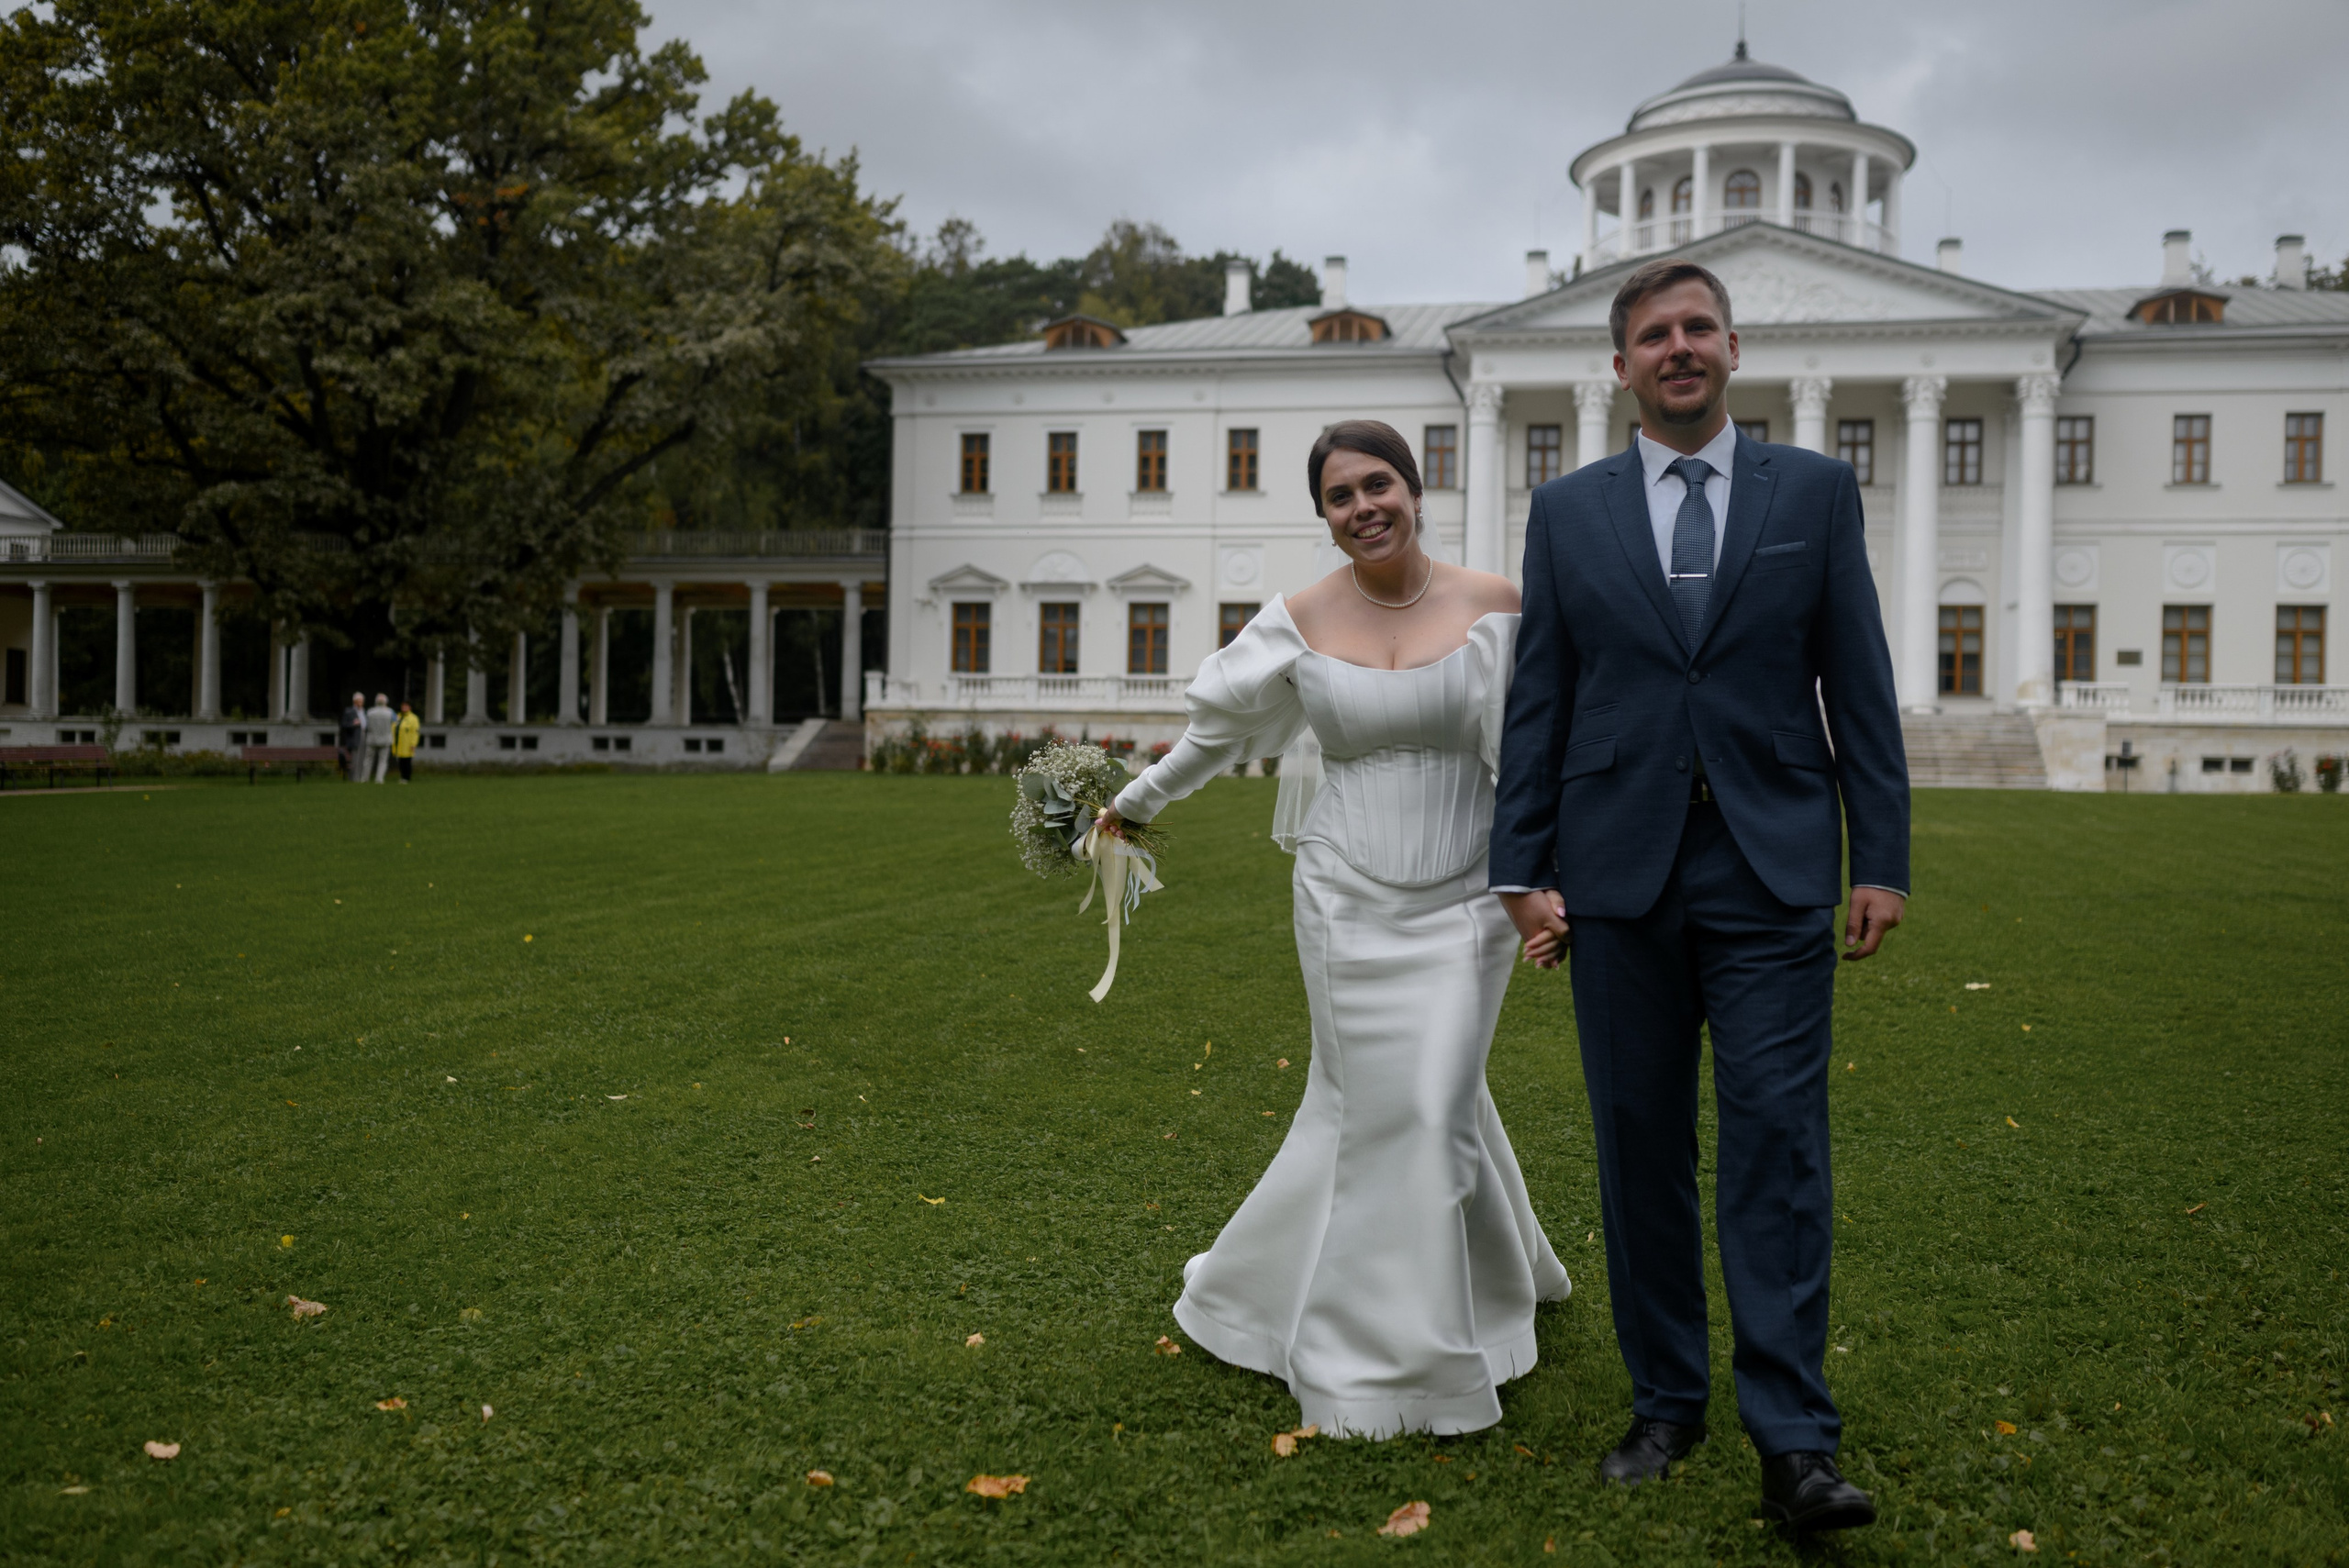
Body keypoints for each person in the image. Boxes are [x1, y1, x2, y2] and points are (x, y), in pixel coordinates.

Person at [1490, 259, 1909, 1532]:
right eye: (1653, 335)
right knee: (1641, 1149)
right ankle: (1666, 1400)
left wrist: (1878, 854)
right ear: (1619, 367)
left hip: (1773, 864)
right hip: (1616, 874)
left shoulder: (1816, 493)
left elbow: (1860, 678)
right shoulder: (1567, 512)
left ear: (1734, 348)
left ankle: (1793, 1441)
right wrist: (1523, 871)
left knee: (1777, 1145)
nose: (1678, 348)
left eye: (1697, 328)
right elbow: (1541, 699)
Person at [1096, 420, 1570, 1439]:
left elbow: (1543, 751)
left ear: (1414, 486)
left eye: (1379, 483)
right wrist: (1131, 803)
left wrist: (1549, 876)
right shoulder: (1298, 618)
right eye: (1341, 495)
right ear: (1323, 515)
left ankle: (1406, 1336)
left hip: (1468, 896)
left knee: (1435, 1094)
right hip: (1343, 892)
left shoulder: (1499, 603)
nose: (1364, 506)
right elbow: (1211, 735)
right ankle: (1390, 1340)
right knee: (1372, 1100)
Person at [363, 693, 395, 783]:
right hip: (385, 740)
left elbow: (366, 725)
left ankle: (365, 778)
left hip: (372, 739)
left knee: (368, 759)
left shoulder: (370, 712)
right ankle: (379, 779)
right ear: (386, 702)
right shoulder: (390, 712)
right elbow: (396, 722)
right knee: (383, 761)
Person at [340, 692, 366, 782]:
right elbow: (344, 725)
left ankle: (360, 777)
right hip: (354, 738)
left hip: (363, 735)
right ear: (354, 701)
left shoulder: (364, 711)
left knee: (362, 759)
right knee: (355, 759)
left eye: (362, 701)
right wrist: (353, 724)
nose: (360, 703)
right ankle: (354, 778)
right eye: (358, 701)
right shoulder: (349, 711)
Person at [391, 701, 420, 783]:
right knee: (400, 761)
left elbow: (415, 732)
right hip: (398, 743)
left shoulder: (413, 718)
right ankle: (402, 776)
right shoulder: (398, 717)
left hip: (407, 743)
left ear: (410, 707)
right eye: (403, 706)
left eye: (406, 706)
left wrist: (413, 743)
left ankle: (407, 777)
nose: (404, 708)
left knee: (406, 761)